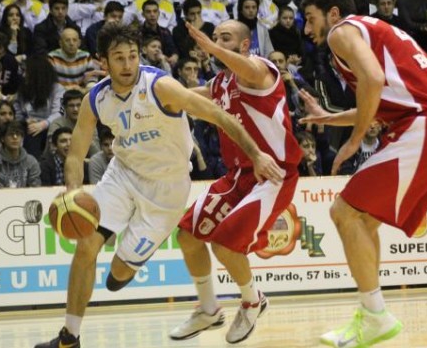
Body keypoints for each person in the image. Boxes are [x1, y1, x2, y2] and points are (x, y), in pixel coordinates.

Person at [34, 22, 283, 348]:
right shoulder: (95, 98)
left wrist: (257, 154)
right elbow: (76, 152)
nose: (127, 65)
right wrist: (72, 191)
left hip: (166, 190)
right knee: (86, 246)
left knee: (116, 279)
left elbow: (219, 116)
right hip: (122, 175)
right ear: (103, 62)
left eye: (132, 56)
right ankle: (70, 337)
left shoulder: (161, 87)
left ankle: (144, 261)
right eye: (119, 58)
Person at [299, 0, 427, 346]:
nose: (306, 29)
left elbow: (372, 81)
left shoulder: (341, 30)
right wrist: (329, 119)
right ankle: (372, 312)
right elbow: (380, 99)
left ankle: (375, 314)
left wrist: (355, 139)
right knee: (363, 219)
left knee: (343, 212)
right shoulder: (374, 29)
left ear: (332, 13)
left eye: (310, 19)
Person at [169, 19, 301, 344]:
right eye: (214, 38)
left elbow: (247, 68)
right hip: (237, 175)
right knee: (187, 235)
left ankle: (252, 301)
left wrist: (211, 48)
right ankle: (209, 309)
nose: (216, 42)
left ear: (244, 45)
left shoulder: (261, 69)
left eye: (225, 38)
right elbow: (187, 97)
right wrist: (149, 90)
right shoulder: (221, 83)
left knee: (225, 244)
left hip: (272, 175)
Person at [0, 120, 41, 188]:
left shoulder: (31, 161)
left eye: (18, 134)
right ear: (2, 139)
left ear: (22, 138)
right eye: (10, 134)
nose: (15, 137)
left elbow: (35, 188)